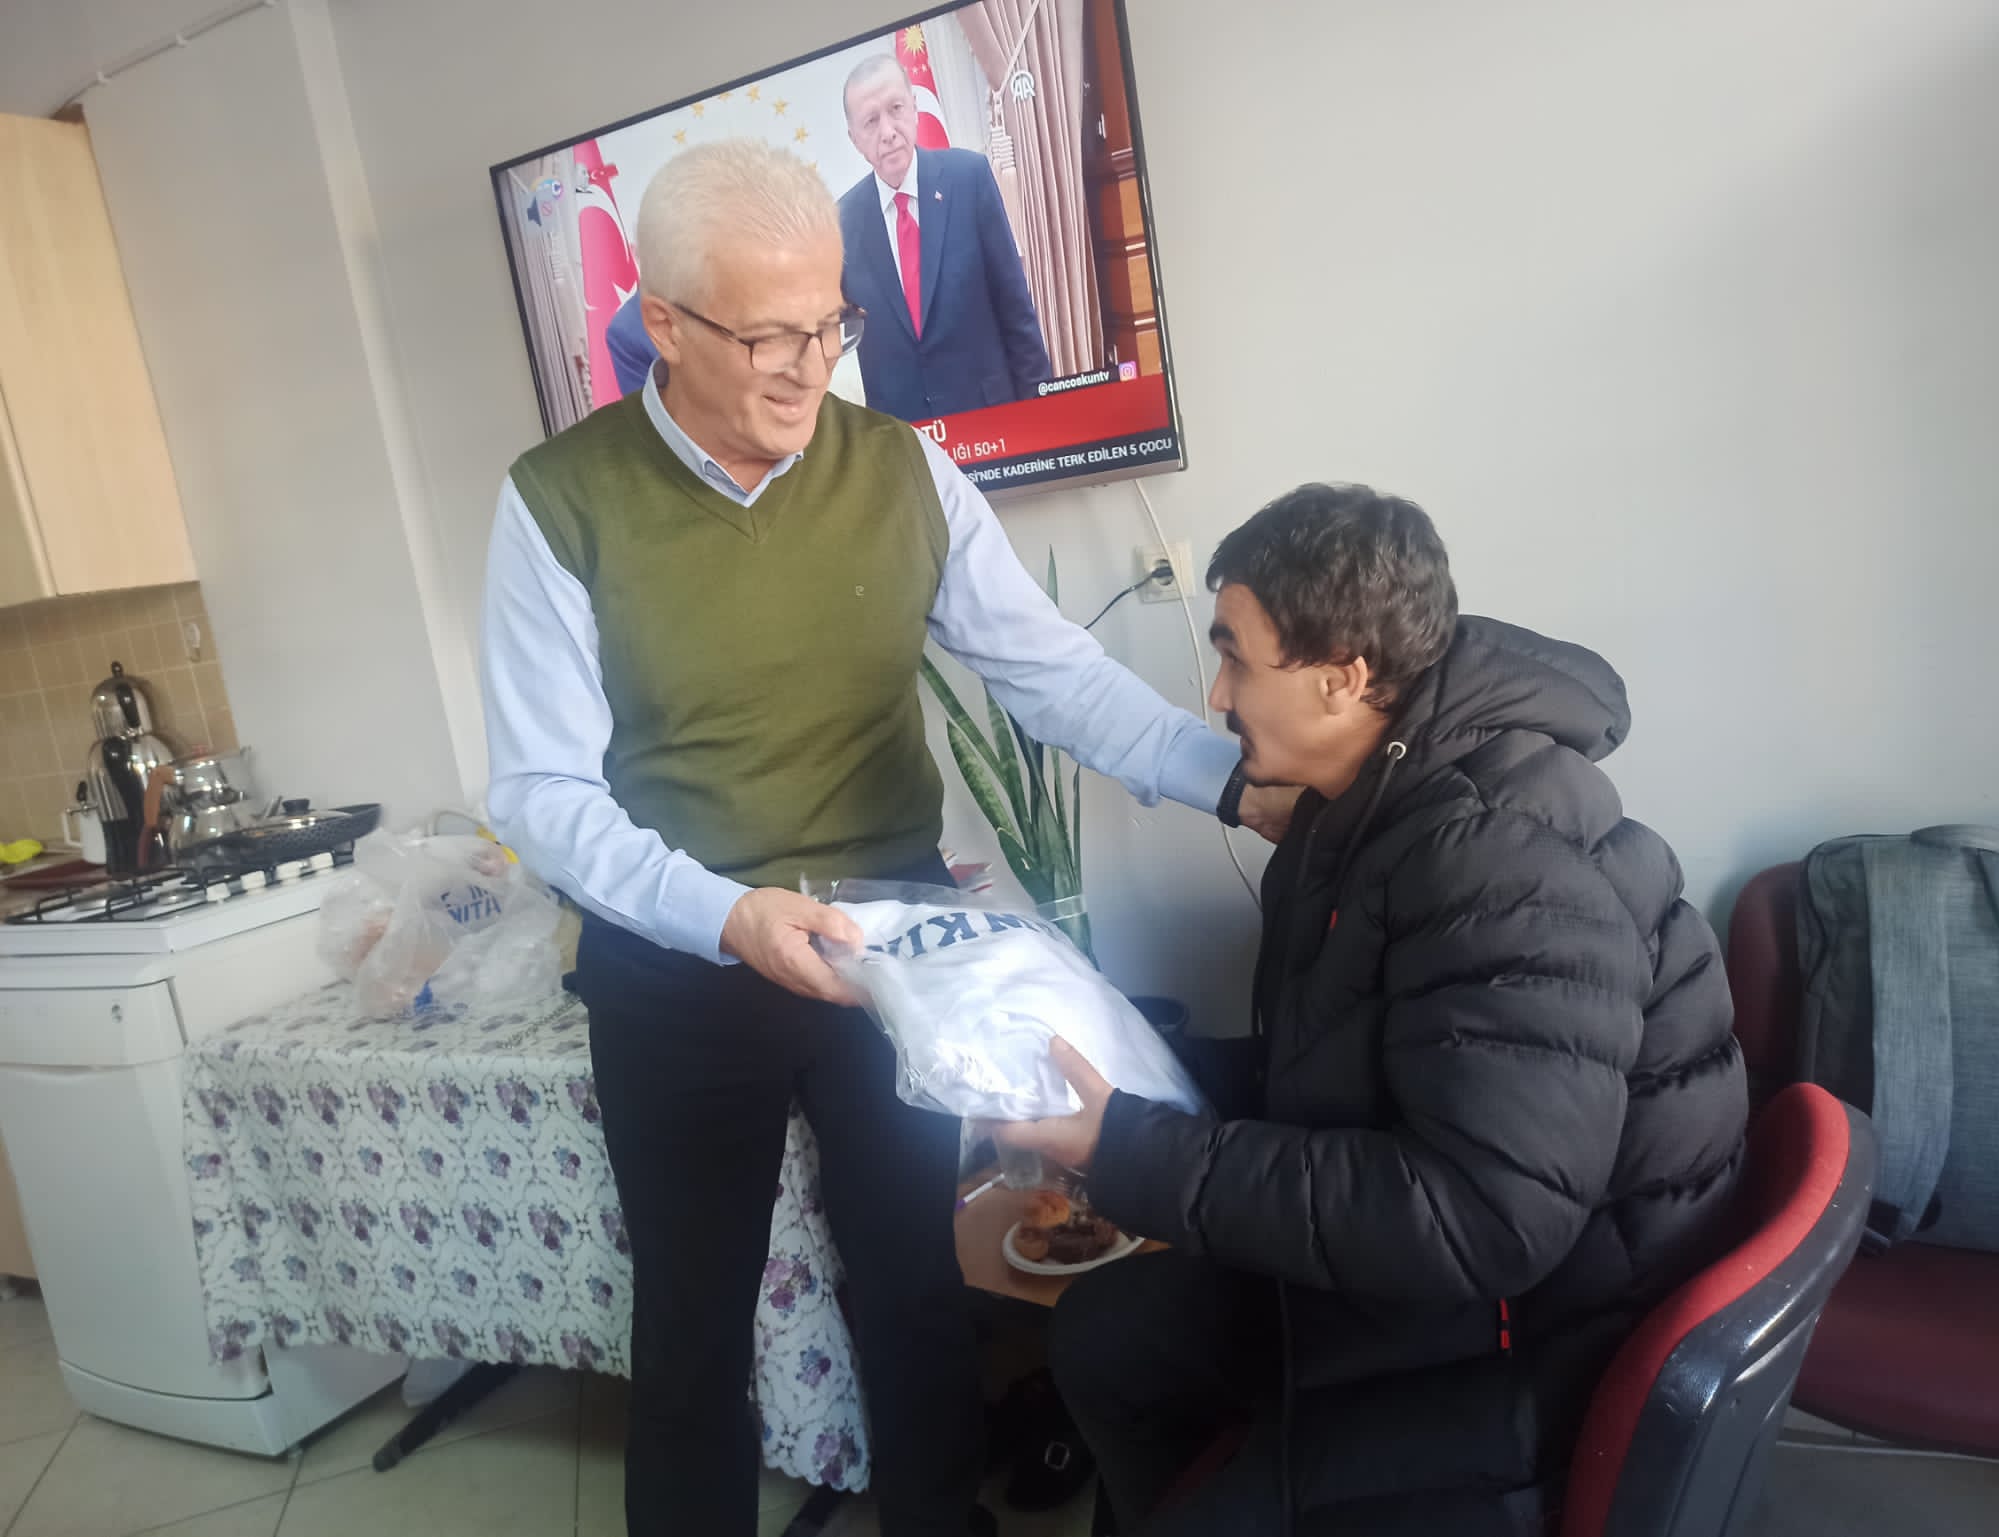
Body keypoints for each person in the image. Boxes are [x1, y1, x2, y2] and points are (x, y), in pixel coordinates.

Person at [477, 139, 1293, 1537]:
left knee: (914, 1276)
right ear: (662, 324)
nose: (808, 369)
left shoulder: (901, 470)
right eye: (766, 336)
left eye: (830, 325)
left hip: (889, 947)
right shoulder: (560, 501)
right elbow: (543, 794)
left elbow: (1050, 673)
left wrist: (1238, 780)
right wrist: (725, 914)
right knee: (691, 1325)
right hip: (676, 969)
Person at [1000, 485, 1749, 1536]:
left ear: (1342, 677)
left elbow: (1486, 1218)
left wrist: (1135, 1151)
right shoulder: (1360, 810)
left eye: (1235, 658)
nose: (1215, 692)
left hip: (1531, 1339)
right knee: (1102, 1334)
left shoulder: (1494, 858)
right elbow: (1341, 1067)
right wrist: (1122, 1083)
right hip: (1439, 1286)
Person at [837, 55, 1052, 421]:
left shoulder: (969, 178)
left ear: (915, 109)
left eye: (896, 109)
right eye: (871, 121)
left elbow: (1016, 311)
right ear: (854, 138)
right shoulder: (841, 221)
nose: (887, 131)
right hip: (905, 436)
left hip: (991, 421)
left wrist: (1042, 415)